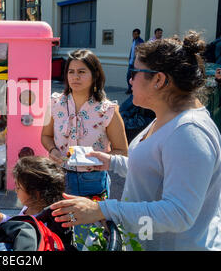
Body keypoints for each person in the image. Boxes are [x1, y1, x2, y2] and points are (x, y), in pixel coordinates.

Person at [50, 31, 221, 251]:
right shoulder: (167, 118)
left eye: (135, 72)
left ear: (159, 79)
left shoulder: (189, 132)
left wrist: (104, 209)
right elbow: (157, 171)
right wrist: (113, 163)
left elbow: (179, 214)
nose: (130, 80)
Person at [41, 49, 128, 199]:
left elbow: (122, 151)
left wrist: (98, 159)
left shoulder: (108, 110)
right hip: (58, 177)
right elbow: (45, 135)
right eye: (71, 72)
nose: (75, 77)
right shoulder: (54, 104)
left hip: (93, 181)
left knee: (93, 223)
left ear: (95, 75)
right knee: (63, 221)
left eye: (81, 72)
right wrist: (52, 149)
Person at [126, 29, 144, 94]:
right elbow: (132, 51)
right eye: (133, 34)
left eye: (135, 34)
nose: (134, 35)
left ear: (138, 34)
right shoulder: (133, 40)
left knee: (134, 77)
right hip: (131, 62)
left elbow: (140, 53)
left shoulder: (141, 41)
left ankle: (132, 89)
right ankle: (130, 88)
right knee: (128, 76)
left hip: (135, 63)